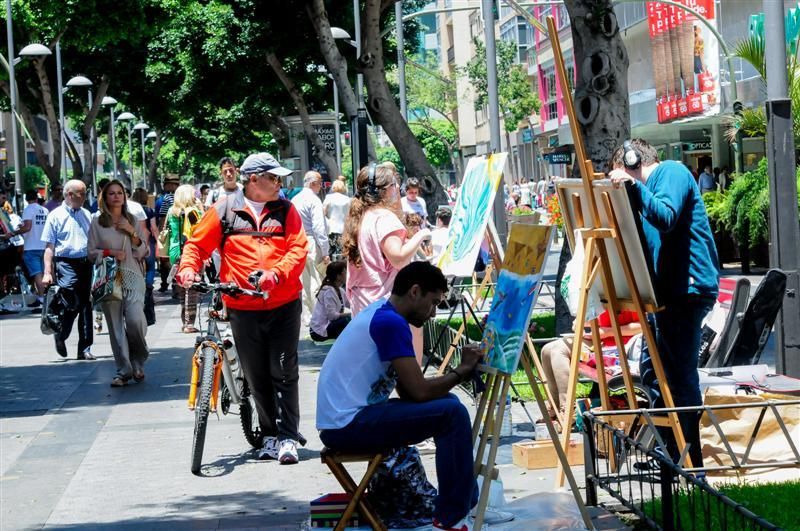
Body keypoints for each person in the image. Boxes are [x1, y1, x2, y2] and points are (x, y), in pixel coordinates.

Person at [317, 262, 483, 531]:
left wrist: (451, 380)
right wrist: (461, 371)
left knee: (450, 404)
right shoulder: (390, 322)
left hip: (348, 419)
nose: (432, 314)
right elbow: (418, 391)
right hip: (345, 425)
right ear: (415, 292)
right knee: (452, 413)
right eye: (432, 303)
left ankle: (467, 505)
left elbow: (408, 391)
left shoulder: (386, 315)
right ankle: (452, 518)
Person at [176, 152, 308, 464]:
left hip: (283, 303)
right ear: (253, 180)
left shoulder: (286, 210)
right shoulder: (223, 210)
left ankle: (289, 436)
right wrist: (188, 269)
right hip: (243, 305)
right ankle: (270, 435)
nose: (279, 183)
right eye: (273, 178)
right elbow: (196, 245)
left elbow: (297, 249)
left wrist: (275, 274)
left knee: (283, 369)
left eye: (279, 178)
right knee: (257, 373)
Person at [609, 138, 719, 468]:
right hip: (665, 296)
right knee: (652, 372)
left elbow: (666, 216)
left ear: (631, 162)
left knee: (679, 376)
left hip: (686, 293)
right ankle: (670, 451)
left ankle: (690, 460)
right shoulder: (646, 190)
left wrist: (632, 187)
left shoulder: (671, 172)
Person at [343, 163, 431, 317]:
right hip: (382, 305)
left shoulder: (364, 215)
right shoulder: (384, 218)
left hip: (363, 302)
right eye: (394, 184)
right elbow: (398, 258)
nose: (398, 188)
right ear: (384, 190)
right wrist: (422, 234)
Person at [87, 180, 150, 386]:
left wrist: (131, 231)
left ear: (125, 196)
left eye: (120, 193)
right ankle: (124, 370)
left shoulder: (132, 218)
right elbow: (91, 252)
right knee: (115, 327)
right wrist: (111, 253)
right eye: (112, 193)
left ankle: (138, 360)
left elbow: (143, 251)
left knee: (135, 320)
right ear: (105, 197)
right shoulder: (97, 221)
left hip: (132, 275)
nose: (116, 196)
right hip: (109, 278)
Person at [540, 310, 641, 426]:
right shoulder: (597, 294)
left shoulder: (628, 294)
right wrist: (581, 323)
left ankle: (567, 410)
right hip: (600, 341)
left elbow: (643, 326)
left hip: (623, 346)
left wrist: (607, 332)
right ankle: (555, 407)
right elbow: (591, 319)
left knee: (558, 351)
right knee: (548, 349)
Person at [41, 180, 95, 360]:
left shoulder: (87, 214)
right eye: (82, 193)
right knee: (70, 302)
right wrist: (48, 272)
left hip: (86, 262)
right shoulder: (55, 215)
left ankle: (85, 348)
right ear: (70, 195)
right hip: (66, 263)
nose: (85, 197)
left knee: (86, 303)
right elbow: (49, 247)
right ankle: (61, 333)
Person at [291, 171, 330, 328]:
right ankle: (318, 316)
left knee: (303, 280)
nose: (321, 187)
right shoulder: (314, 200)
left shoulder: (294, 200)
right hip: (312, 242)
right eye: (320, 183)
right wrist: (326, 251)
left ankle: (308, 316)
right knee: (316, 280)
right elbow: (319, 228)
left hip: (297, 242)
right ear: (314, 183)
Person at [167, 184, 203, 333]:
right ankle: (189, 323)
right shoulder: (193, 212)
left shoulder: (171, 211)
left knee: (183, 288)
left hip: (175, 251)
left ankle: (185, 321)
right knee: (192, 289)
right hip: (190, 251)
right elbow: (199, 232)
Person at [132, 188, 158, 325]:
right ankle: (148, 291)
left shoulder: (129, 209)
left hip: (134, 244)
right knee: (150, 269)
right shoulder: (148, 210)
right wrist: (157, 242)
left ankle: (141, 295)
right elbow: (152, 228)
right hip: (149, 244)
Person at [17, 190, 50, 297]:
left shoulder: (28, 209)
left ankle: (41, 297)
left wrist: (14, 232)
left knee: (37, 274)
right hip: (44, 246)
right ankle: (49, 298)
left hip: (31, 247)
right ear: (36, 198)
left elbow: (27, 227)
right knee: (46, 273)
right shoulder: (45, 210)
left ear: (27, 199)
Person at [309, 260, 350, 342]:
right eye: (345, 273)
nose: (348, 275)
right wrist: (351, 314)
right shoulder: (329, 292)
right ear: (338, 276)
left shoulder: (340, 290)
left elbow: (351, 304)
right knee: (347, 320)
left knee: (353, 318)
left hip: (329, 326)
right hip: (318, 332)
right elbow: (332, 316)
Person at [156, 174, 180, 292]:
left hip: (171, 234)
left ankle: (169, 283)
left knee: (167, 260)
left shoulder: (165, 199)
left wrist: (160, 236)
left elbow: (162, 218)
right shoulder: (186, 197)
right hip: (184, 235)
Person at [322, 178, 351, 260]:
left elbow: (323, 212)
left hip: (331, 229)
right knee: (342, 252)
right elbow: (350, 215)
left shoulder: (328, 198)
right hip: (344, 230)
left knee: (332, 252)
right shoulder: (348, 199)